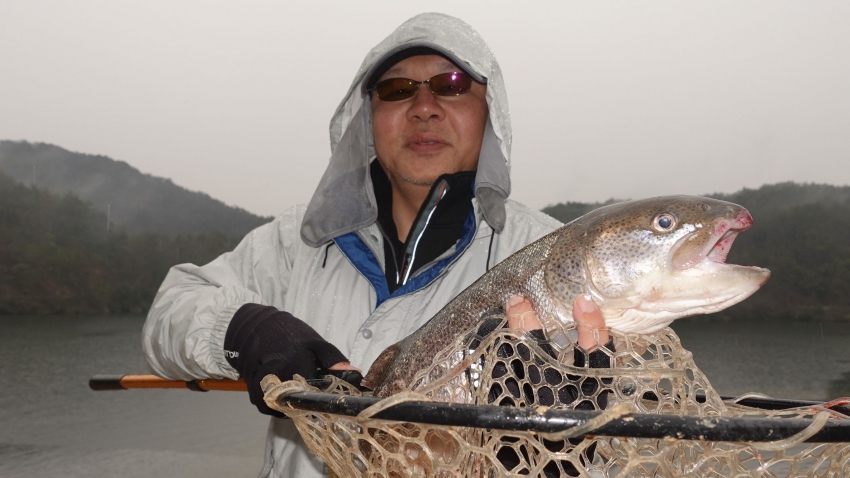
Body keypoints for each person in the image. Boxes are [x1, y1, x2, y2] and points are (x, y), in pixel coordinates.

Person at [142, 13, 611, 478]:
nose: (423, 107)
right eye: (397, 89)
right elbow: (170, 310)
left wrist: (565, 458)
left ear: (490, 113)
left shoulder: (557, 256)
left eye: (450, 85)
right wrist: (244, 329)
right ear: (368, 117)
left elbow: (626, 448)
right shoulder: (299, 239)